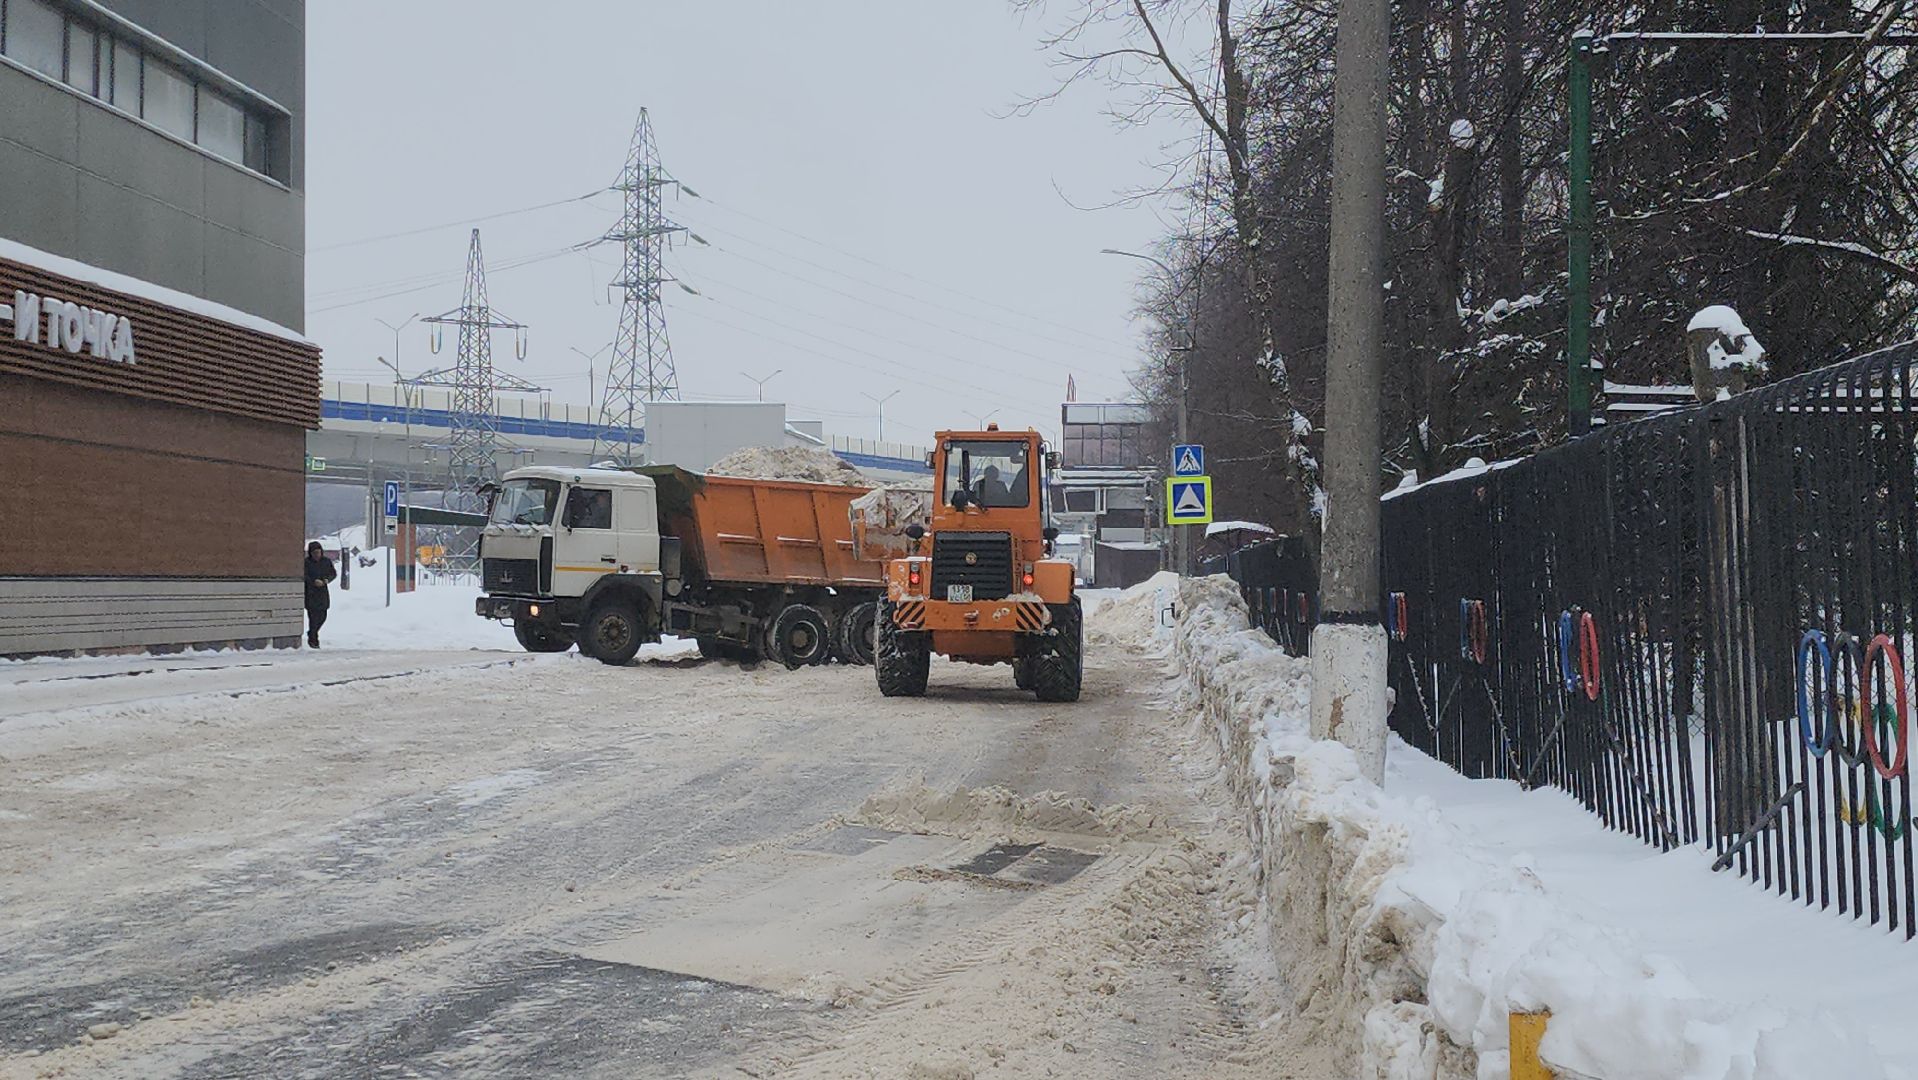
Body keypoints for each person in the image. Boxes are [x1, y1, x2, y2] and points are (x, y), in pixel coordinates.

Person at [304, 541, 337, 648]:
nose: (317, 555)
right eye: (314, 553)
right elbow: (304, 575)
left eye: (318, 552)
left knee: (323, 616)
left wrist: (327, 580)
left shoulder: (326, 562)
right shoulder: (306, 563)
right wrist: (313, 581)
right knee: (313, 618)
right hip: (311, 593)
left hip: (322, 592)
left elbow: (333, 573)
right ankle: (313, 640)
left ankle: (312, 633)